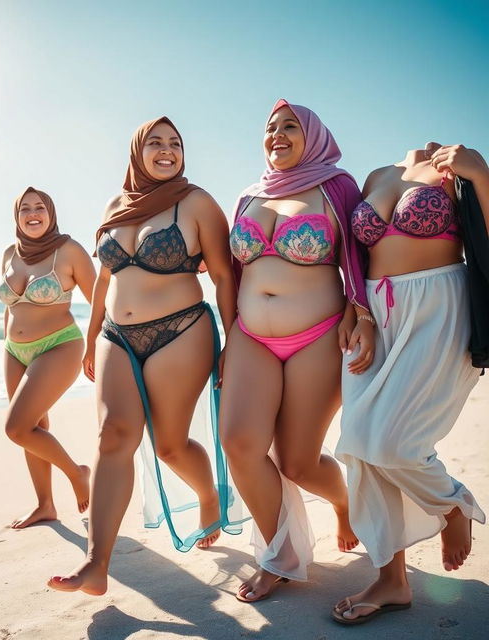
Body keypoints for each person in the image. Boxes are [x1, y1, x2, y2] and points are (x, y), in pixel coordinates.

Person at [48, 116, 240, 596]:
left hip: (182, 330)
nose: (166, 149)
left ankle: (209, 495)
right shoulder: (115, 205)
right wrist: (92, 337)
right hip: (116, 334)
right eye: (154, 142)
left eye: (175, 142)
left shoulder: (196, 202)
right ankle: (96, 563)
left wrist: (233, 341)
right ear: (137, 151)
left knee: (169, 445)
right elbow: (103, 284)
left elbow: (223, 277)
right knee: (114, 436)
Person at [220, 99, 373, 602]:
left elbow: (364, 253)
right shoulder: (248, 194)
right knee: (240, 444)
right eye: (270, 128)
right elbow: (229, 270)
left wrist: (362, 310)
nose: (278, 135)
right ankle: (281, 559)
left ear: (314, 135)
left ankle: (345, 504)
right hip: (250, 336)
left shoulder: (336, 186)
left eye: (290, 126)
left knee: (297, 463)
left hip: (318, 334)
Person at [332, 143, 488, 625]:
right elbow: (352, 257)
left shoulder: (459, 165)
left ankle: (452, 505)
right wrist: (355, 311)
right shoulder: (376, 173)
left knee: (396, 443)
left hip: (438, 307)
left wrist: (482, 176)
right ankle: (391, 579)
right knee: (358, 444)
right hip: (375, 317)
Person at [0, 186, 96, 528]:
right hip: (14, 351)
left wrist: (97, 346)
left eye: (39, 207)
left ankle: (77, 472)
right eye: (24, 208)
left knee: (17, 427)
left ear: (50, 213)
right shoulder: (10, 253)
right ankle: (45, 505)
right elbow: (9, 308)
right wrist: (6, 344)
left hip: (60, 345)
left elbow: (100, 301)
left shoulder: (68, 251)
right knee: (34, 427)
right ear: (17, 216)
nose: (32, 213)